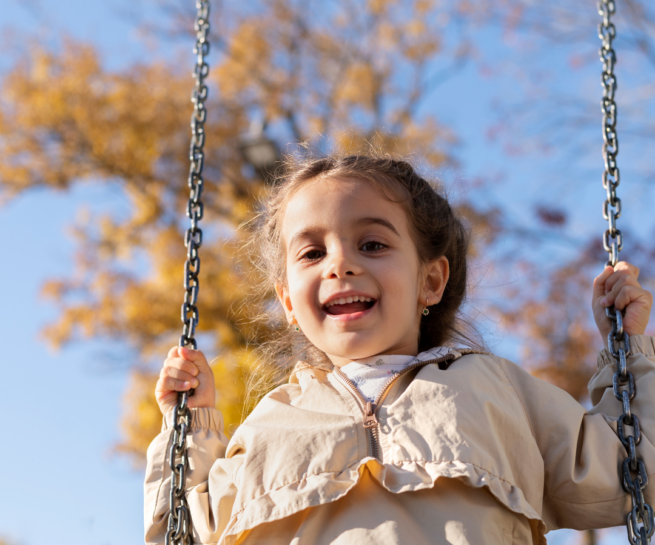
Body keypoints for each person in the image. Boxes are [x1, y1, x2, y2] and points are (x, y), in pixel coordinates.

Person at [144, 154, 654, 544]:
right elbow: (187, 530)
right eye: (313, 252)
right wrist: (189, 427)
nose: (339, 265)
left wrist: (630, 354)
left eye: (372, 245)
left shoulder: (497, 391)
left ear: (430, 280)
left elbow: (629, 471)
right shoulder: (271, 422)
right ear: (289, 303)